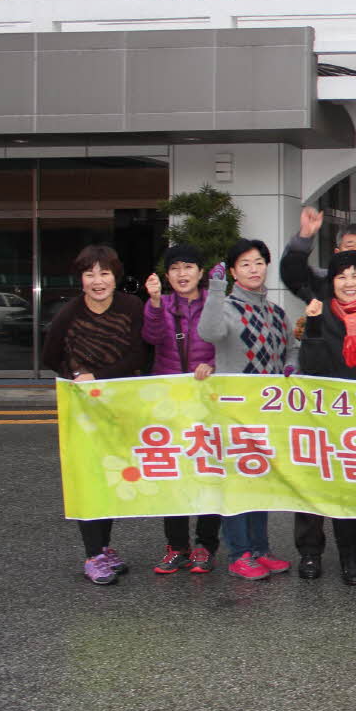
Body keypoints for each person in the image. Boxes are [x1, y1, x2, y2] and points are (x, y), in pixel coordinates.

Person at [195, 239, 296, 581]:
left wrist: (290, 367)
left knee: (261, 482)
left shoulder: (276, 312)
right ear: (234, 271)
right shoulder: (225, 307)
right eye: (245, 264)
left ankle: (260, 549)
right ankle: (239, 553)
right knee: (237, 484)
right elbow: (208, 332)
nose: (254, 269)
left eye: (258, 262)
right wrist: (216, 288)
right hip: (233, 412)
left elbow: (291, 350)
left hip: (267, 413)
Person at [45, 244, 146, 585]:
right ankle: (93, 555)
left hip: (119, 405)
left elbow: (138, 356)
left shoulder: (132, 307)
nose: (97, 280)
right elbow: (51, 355)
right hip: (83, 410)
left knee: (112, 477)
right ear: (81, 279)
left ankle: (104, 547)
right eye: (90, 274)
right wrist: (75, 373)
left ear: (115, 276)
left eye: (104, 273)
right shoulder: (69, 313)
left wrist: (98, 379)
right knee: (89, 477)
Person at [297, 251, 356, 585]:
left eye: (355, 275)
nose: (349, 283)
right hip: (338, 415)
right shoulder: (323, 312)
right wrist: (312, 323)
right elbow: (312, 366)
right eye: (341, 276)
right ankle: (349, 558)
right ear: (332, 282)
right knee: (345, 489)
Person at [141, 244, 220, 575]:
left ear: (200, 273)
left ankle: (205, 545)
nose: (182, 274)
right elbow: (151, 336)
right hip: (169, 403)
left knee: (208, 471)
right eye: (175, 268)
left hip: (208, 402)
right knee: (173, 474)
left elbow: (226, 341)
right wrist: (157, 304)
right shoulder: (160, 304)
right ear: (166, 274)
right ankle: (176, 546)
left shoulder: (215, 303)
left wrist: (213, 367)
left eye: (189, 267)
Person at [280, 204, 356, 298]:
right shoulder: (324, 283)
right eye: (350, 246)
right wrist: (304, 236)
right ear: (337, 253)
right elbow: (294, 276)